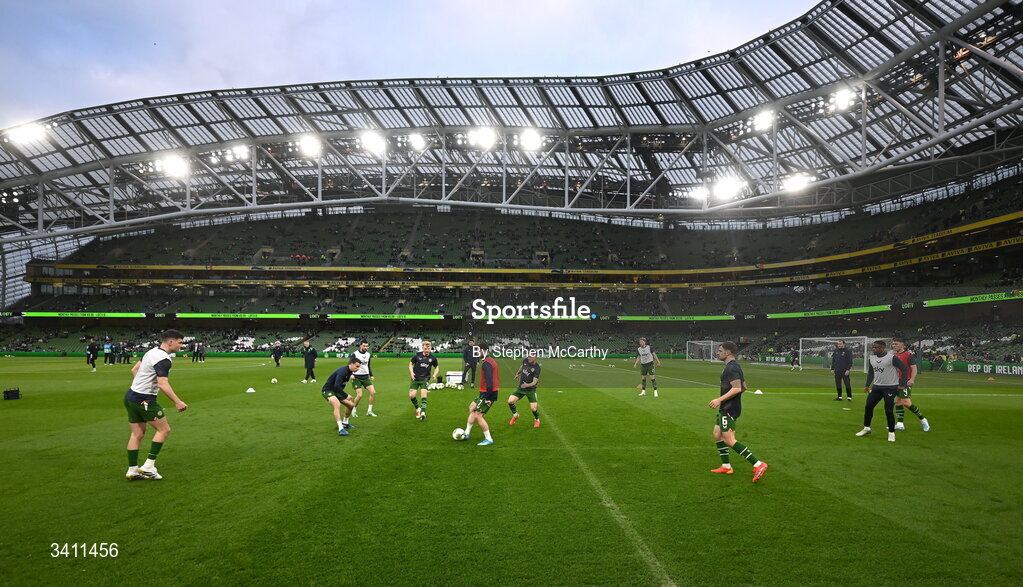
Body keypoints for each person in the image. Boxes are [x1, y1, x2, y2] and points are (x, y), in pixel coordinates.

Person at [123, 329, 189, 480]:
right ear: (170, 342)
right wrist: (178, 402)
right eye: (180, 342)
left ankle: (132, 470)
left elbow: (134, 370)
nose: (181, 346)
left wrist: (143, 384)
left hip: (130, 396)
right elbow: (162, 383)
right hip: (144, 400)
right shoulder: (164, 359)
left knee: (137, 434)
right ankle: (148, 467)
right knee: (164, 430)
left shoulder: (151, 352)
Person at [709, 341, 769, 482]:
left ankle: (758, 464)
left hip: (729, 409)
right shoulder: (733, 366)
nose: (717, 353)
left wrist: (719, 399)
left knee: (729, 440)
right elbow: (744, 387)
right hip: (727, 406)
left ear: (728, 352)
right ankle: (726, 466)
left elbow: (737, 388)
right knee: (717, 434)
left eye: (720, 350)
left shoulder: (732, 368)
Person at [856, 340, 910, 442]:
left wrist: (902, 384)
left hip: (890, 387)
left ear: (883, 348)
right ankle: (866, 428)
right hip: (876, 387)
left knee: (888, 410)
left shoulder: (892, 358)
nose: (874, 349)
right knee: (868, 407)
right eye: (873, 347)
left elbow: (904, 369)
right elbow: (871, 373)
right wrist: (867, 385)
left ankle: (891, 433)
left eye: (876, 347)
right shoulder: (872, 358)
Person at [459, 342, 498, 446]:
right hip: (484, 392)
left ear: (483, 350)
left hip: (488, 393)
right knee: (472, 407)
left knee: (478, 415)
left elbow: (490, 381)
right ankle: (467, 433)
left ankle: (489, 439)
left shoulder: (487, 363)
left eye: (478, 350)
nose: (477, 353)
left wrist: (488, 397)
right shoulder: (488, 360)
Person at [891, 339, 930, 432]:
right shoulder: (893, 355)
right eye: (893, 344)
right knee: (898, 401)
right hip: (896, 381)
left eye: (896, 344)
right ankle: (900, 424)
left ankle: (923, 420)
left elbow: (914, 369)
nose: (894, 346)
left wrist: (912, 379)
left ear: (902, 345)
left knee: (906, 402)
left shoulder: (909, 355)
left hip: (906, 381)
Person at [322, 357, 362, 435]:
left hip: (337, 391)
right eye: (357, 366)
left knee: (351, 405)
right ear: (351, 364)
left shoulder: (350, 371)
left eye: (359, 366)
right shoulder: (342, 371)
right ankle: (341, 428)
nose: (358, 368)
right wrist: (346, 395)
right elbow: (336, 386)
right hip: (328, 390)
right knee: (337, 404)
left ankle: (345, 423)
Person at [509, 352, 541, 427]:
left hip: (530, 390)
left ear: (535, 357)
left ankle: (537, 419)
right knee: (510, 401)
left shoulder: (537, 368)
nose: (528, 358)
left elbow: (535, 381)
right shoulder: (525, 360)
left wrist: (527, 385)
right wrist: (518, 373)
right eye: (528, 356)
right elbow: (522, 366)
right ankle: (515, 415)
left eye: (531, 357)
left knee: (533, 409)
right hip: (521, 388)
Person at [408, 341, 439, 420]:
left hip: (425, 379)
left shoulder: (433, 358)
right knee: (411, 396)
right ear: (423, 348)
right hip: (415, 378)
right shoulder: (417, 355)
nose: (427, 349)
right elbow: (410, 364)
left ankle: (423, 413)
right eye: (425, 348)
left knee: (423, 395)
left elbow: (437, 367)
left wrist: (434, 375)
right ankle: (418, 408)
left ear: (430, 348)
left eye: (428, 348)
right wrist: (411, 373)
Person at [349, 340, 378, 417]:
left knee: (373, 392)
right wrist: (351, 374)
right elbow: (349, 364)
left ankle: (369, 411)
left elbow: (368, 366)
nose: (366, 347)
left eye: (367, 346)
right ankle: (353, 410)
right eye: (364, 346)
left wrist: (371, 375)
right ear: (360, 345)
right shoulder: (355, 354)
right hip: (356, 377)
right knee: (360, 395)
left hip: (365, 377)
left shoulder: (368, 354)